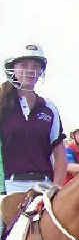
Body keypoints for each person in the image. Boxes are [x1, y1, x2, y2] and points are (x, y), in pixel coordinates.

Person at [0, 42, 66, 194]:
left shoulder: (50, 109)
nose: (30, 71)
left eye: (35, 66)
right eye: (24, 65)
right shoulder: (2, 105)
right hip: (9, 186)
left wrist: (55, 188)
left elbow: (60, 156)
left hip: (44, 186)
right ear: (13, 69)